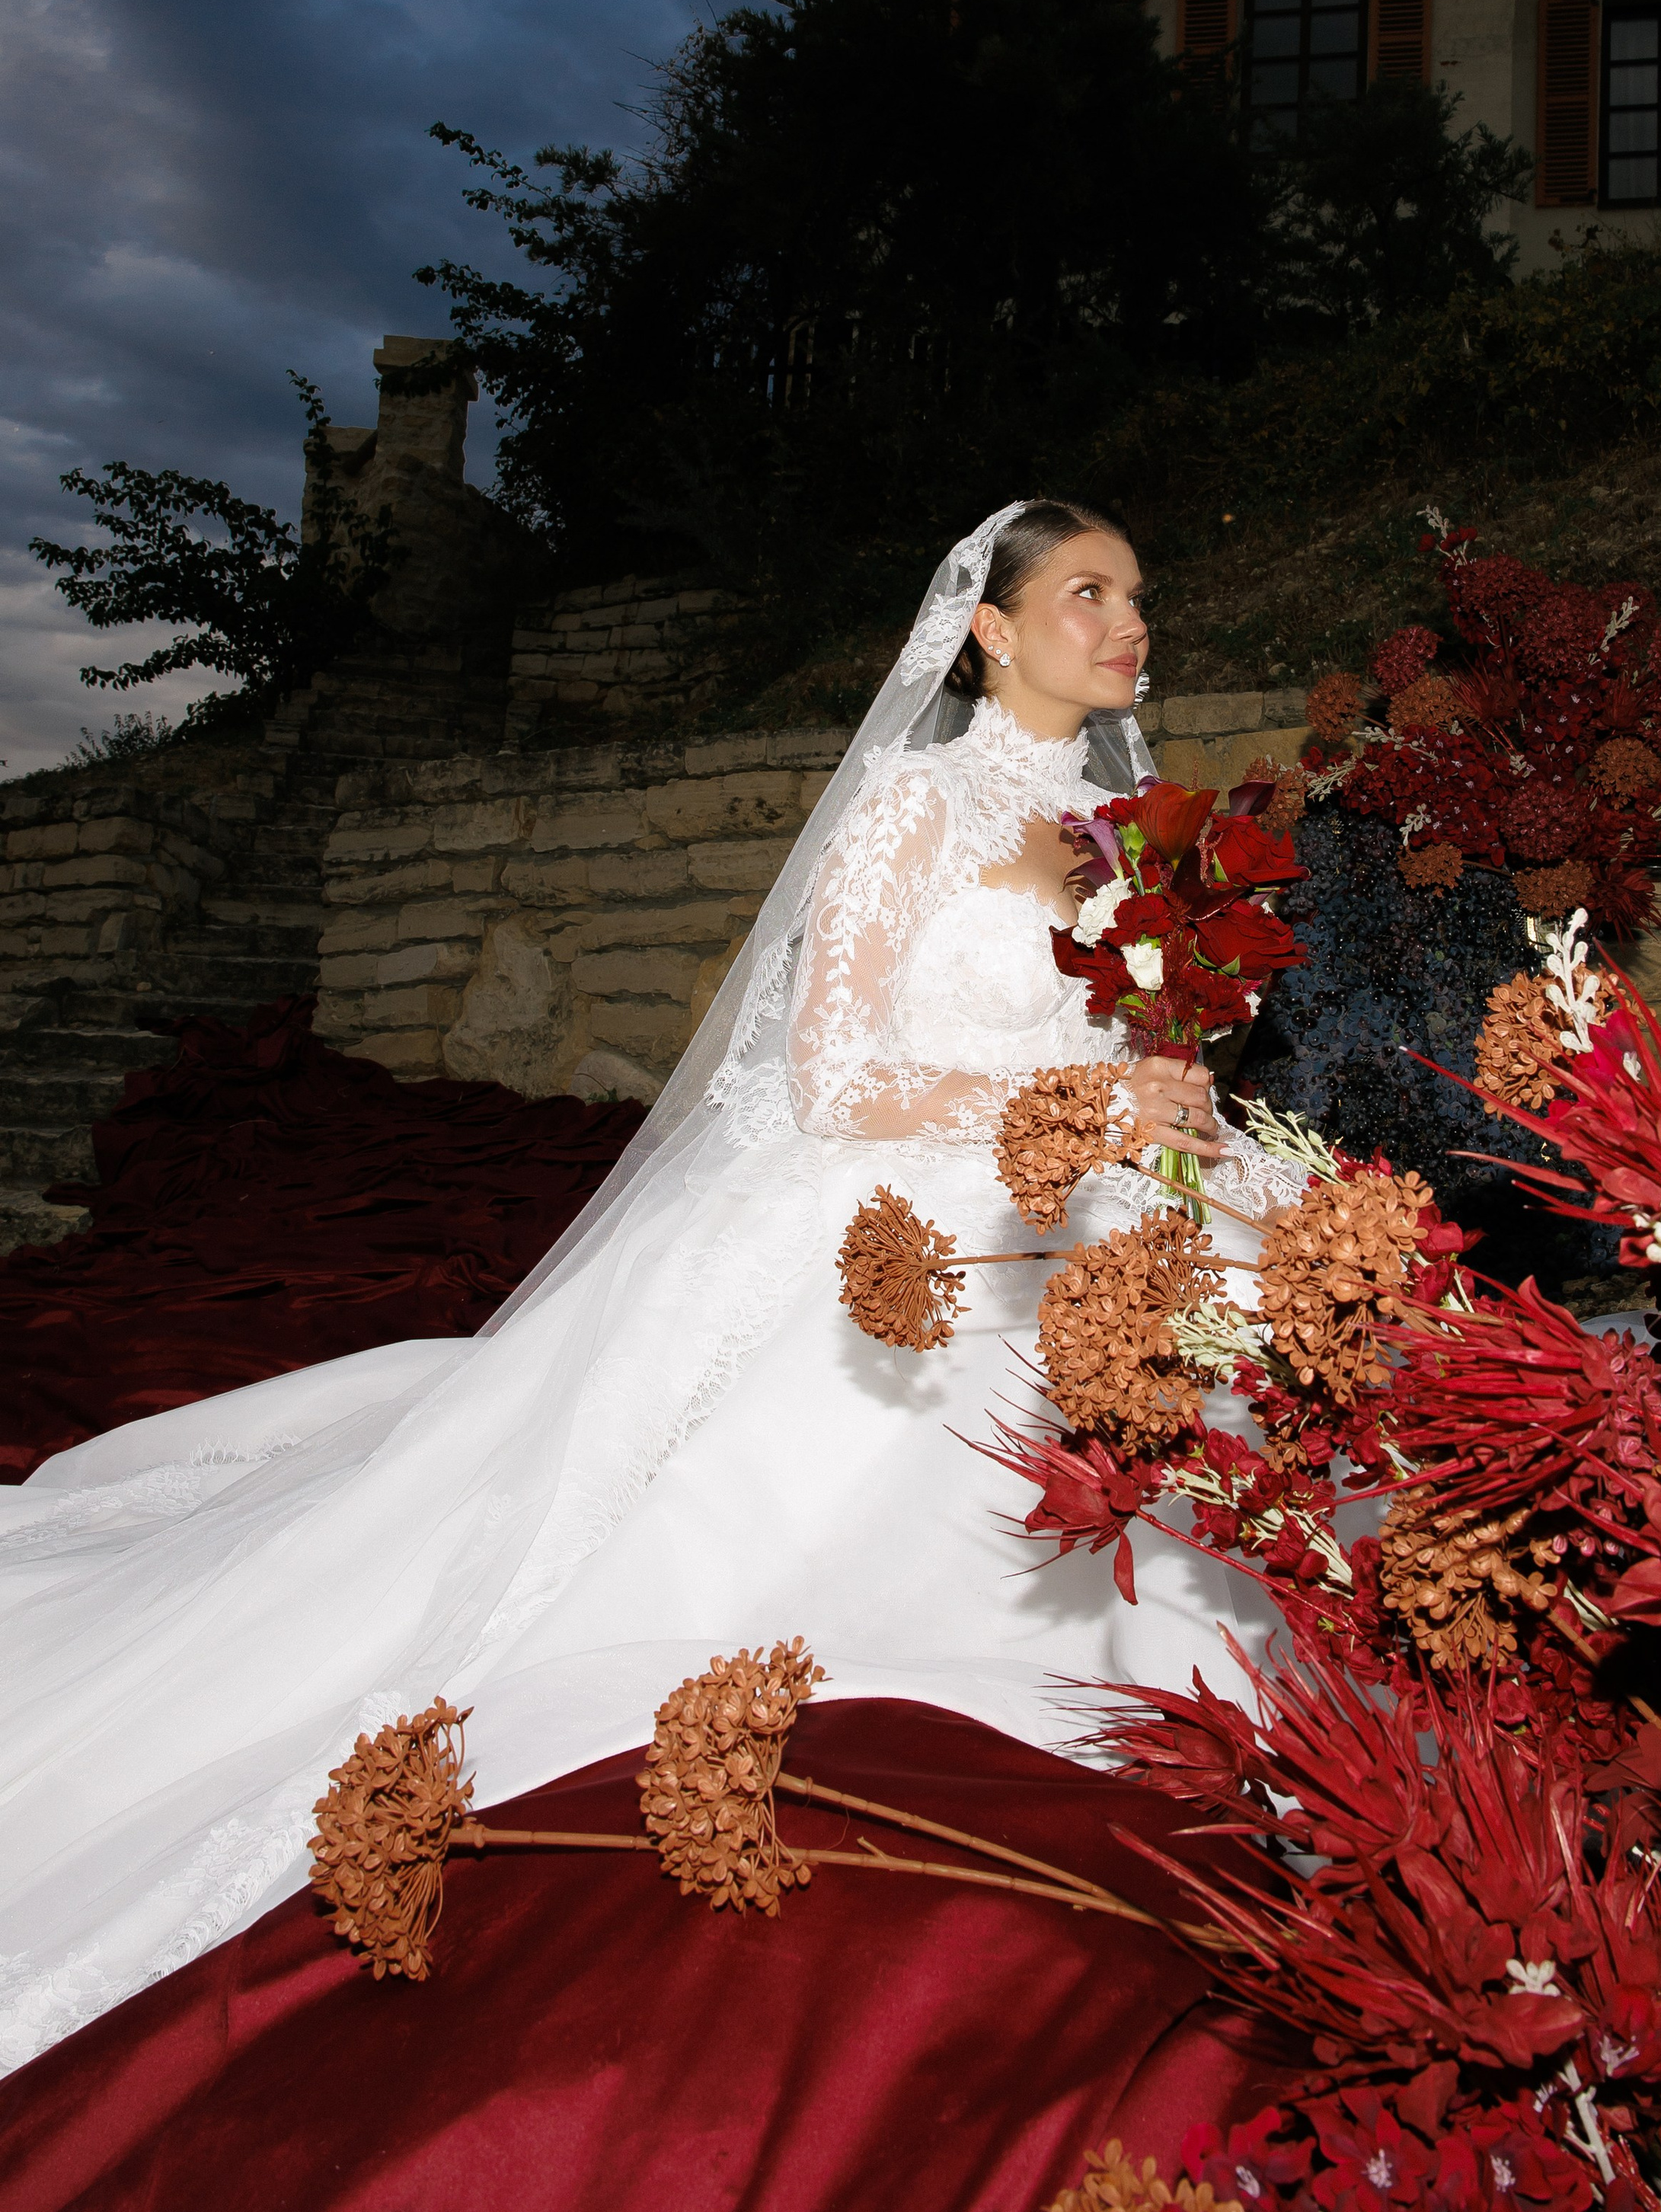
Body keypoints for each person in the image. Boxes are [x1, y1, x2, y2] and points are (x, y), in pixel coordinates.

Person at [0, 499, 1297, 2076]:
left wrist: (1163, 1090)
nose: (1127, 621)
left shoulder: (1129, 824)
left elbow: (1135, 1024)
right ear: (990, 626)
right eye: (1087, 590)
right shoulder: (912, 803)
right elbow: (833, 1077)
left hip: (1097, 1184)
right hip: (911, 1200)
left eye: (1136, 594)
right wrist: (1075, 1107)